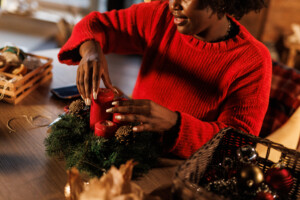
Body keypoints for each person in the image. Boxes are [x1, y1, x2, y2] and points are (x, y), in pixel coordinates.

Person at [58, 0, 272, 159]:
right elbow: (96, 23)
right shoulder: (160, 16)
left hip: (178, 173)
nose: (173, 4)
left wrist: (174, 124)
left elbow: (239, 144)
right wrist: (91, 49)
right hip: (127, 152)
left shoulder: (253, 61)